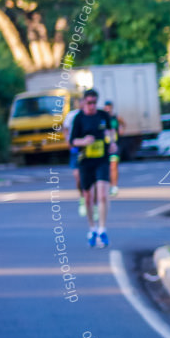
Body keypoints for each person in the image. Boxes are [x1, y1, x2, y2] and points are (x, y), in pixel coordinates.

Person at [69, 89, 116, 247]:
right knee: (88, 197)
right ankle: (92, 228)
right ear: (83, 102)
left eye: (94, 103)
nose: (92, 106)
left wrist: (112, 143)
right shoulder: (78, 119)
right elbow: (72, 141)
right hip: (85, 161)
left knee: (102, 194)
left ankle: (103, 229)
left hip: (102, 160)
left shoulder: (103, 115)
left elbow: (110, 132)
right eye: (89, 103)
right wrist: (83, 141)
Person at [61, 103, 86, 217]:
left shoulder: (91, 115)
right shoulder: (72, 115)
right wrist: (68, 141)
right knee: (77, 176)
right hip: (76, 149)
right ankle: (82, 197)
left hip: (88, 150)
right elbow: (65, 128)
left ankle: (92, 201)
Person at [103, 101, 125, 196]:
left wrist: (121, 129)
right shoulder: (102, 118)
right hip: (104, 146)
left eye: (109, 107)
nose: (108, 109)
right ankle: (106, 186)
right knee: (105, 167)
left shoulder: (116, 117)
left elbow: (123, 124)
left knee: (113, 165)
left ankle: (114, 186)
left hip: (114, 145)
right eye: (106, 107)